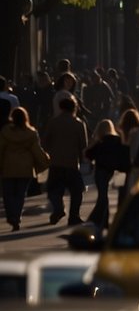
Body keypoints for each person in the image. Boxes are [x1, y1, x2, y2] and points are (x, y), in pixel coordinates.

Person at [0, 107, 50, 232]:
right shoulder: (31, 133)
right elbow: (37, 151)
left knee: (8, 194)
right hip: (25, 168)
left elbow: (1, 149)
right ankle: (16, 217)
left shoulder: (5, 132)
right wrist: (46, 161)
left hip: (8, 166)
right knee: (20, 195)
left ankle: (11, 215)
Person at [43, 96, 89, 225]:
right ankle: (74, 216)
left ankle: (58, 208)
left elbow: (45, 142)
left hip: (56, 162)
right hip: (72, 163)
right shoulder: (79, 124)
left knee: (53, 190)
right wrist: (85, 160)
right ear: (74, 108)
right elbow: (83, 145)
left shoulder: (53, 122)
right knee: (76, 192)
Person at [84, 120, 129, 228]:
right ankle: (102, 221)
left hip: (100, 170)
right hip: (110, 171)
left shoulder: (100, 142)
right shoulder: (117, 140)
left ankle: (96, 219)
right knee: (104, 196)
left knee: (102, 196)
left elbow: (88, 154)